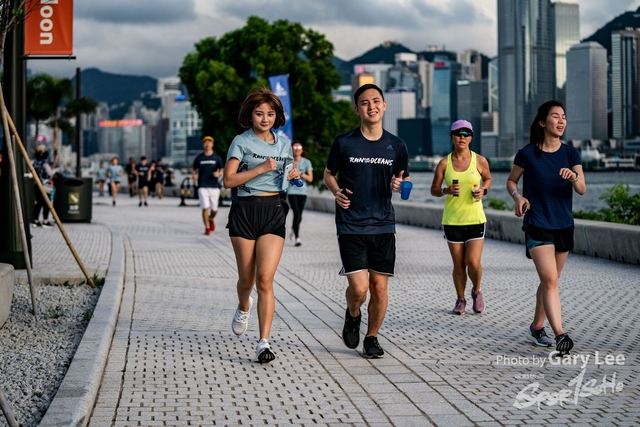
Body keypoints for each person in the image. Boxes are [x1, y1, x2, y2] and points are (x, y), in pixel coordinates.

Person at [323, 83, 410, 359]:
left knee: (379, 288)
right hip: (350, 223)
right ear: (357, 109)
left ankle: (371, 337)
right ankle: (353, 313)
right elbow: (328, 174)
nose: (371, 106)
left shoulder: (397, 145)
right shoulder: (344, 142)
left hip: (383, 224)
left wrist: (400, 185)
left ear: (384, 105)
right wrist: (336, 191)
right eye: (364, 102)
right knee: (359, 289)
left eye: (375, 101)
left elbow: (404, 179)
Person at [223, 87, 300, 363]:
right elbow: (228, 180)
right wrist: (260, 169)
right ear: (250, 115)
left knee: (265, 279)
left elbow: (286, 178)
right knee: (247, 280)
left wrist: (293, 176)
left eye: (270, 114)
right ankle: (244, 305)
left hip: (274, 210)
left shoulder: (283, 145)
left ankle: (263, 342)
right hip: (244, 210)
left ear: (277, 116)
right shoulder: (241, 142)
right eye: (259, 113)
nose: (265, 119)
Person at [506, 99, 586, 356]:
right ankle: (560, 334)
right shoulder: (527, 153)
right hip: (537, 223)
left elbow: (582, 189)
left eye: (564, 117)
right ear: (542, 122)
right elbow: (511, 181)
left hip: (563, 224)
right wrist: (518, 197)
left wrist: (574, 177)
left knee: (549, 281)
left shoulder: (571, 153)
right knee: (550, 279)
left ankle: (536, 326)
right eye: (555, 116)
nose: (561, 120)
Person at [430, 120, 492, 315]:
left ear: (471, 137)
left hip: (475, 219)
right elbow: (434, 190)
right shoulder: (444, 163)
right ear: (452, 137)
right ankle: (460, 299)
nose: (462, 137)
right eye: (458, 134)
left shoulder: (480, 161)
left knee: (473, 262)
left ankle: (477, 291)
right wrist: (445, 190)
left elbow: (488, 178)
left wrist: (483, 190)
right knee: (459, 265)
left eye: (466, 134)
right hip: (453, 221)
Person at [193, 136, 224, 235]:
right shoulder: (199, 158)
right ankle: (207, 227)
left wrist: (218, 174)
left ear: (212, 144)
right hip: (202, 185)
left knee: (214, 209)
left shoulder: (217, 157)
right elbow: (194, 169)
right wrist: (194, 175)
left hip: (214, 186)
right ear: (203, 144)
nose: (207, 144)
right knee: (205, 207)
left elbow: (221, 169)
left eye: (209, 142)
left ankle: (211, 218)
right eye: (205, 142)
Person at [287, 141, 313, 247]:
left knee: (299, 215)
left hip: (302, 192)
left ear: (302, 150)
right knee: (296, 213)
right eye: (294, 147)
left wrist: (300, 173)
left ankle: (294, 228)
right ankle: (297, 238)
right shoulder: (288, 161)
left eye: (299, 147)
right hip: (291, 191)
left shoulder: (306, 162)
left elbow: (310, 178)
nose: (297, 149)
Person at [32, 144, 54, 228]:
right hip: (45, 185)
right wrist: (57, 170)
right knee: (46, 203)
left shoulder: (34, 162)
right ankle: (45, 221)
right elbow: (50, 173)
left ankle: (35, 220)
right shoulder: (45, 163)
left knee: (38, 203)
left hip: (36, 185)